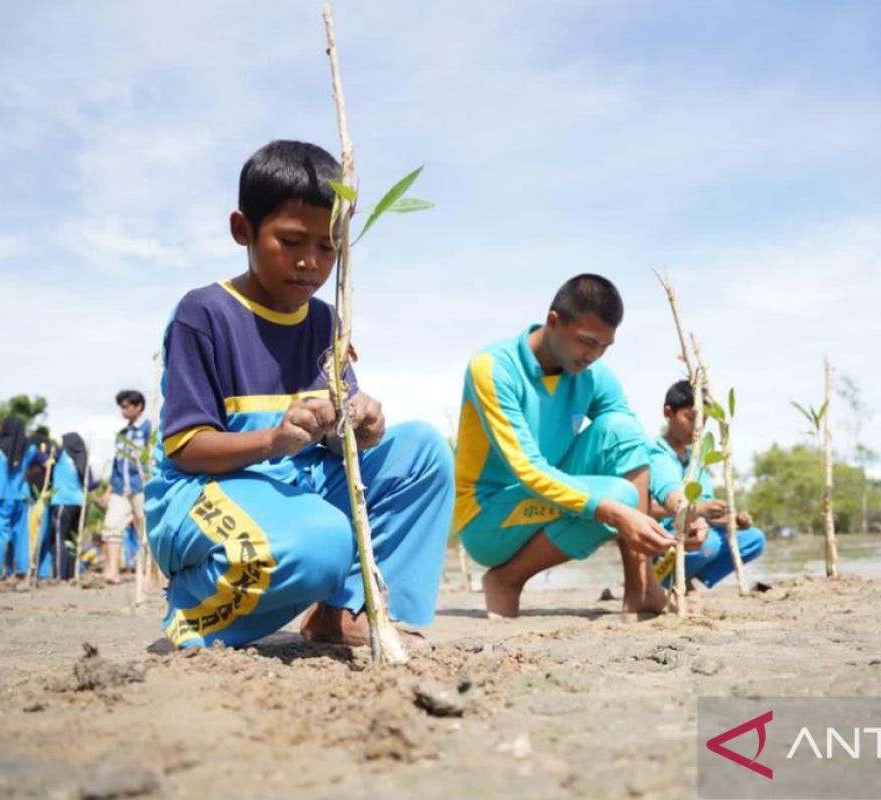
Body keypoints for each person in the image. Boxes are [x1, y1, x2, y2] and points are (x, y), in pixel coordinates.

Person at [145, 139, 453, 649]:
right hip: (208, 492)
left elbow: (336, 442)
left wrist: (356, 425)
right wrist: (273, 440)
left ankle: (346, 613)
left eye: (329, 246)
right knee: (320, 542)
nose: (311, 263)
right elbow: (187, 447)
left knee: (422, 449)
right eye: (291, 242)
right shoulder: (204, 315)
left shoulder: (325, 320)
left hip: (299, 485)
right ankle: (194, 616)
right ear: (243, 230)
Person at [453, 274, 674, 619]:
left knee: (620, 427)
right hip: (488, 515)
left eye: (604, 346)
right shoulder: (494, 368)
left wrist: (678, 501)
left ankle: (641, 588)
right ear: (553, 322)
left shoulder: (591, 374)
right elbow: (527, 469)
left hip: (550, 493)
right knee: (618, 498)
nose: (594, 356)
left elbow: (636, 445)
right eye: (586, 342)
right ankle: (507, 579)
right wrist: (613, 512)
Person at [648, 380, 766, 591]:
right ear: (668, 413)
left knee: (754, 539)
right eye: (691, 418)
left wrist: (732, 519)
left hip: (699, 535)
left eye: (703, 420)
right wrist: (697, 509)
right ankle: (662, 580)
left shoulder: (697, 461)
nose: (697, 427)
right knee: (708, 543)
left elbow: (706, 510)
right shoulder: (655, 453)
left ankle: (690, 581)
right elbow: (645, 507)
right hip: (665, 544)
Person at [99, 390, 151, 584]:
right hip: (121, 488)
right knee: (112, 527)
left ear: (139, 407)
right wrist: (109, 490)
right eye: (121, 407)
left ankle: (151, 572)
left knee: (147, 528)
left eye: (127, 406)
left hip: (142, 486)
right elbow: (116, 465)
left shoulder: (149, 429)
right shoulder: (121, 435)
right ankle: (112, 571)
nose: (123, 410)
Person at [0, 416, 43, 580]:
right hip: (21, 495)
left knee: (2, 535)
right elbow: (45, 461)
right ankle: (21, 570)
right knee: (21, 534)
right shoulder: (29, 449)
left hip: (0, 495)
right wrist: (29, 472)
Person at [40, 433, 96, 580]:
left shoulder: (60, 453)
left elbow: (43, 449)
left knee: (59, 538)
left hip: (62, 502)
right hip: (79, 504)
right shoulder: (83, 459)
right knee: (71, 540)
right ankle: (70, 574)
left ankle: (59, 574)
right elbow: (90, 485)